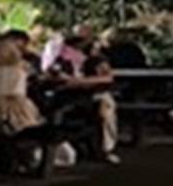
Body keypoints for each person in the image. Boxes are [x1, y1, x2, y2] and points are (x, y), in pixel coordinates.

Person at [48, 34, 120, 164]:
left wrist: (81, 81)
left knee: (106, 105)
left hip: (94, 93)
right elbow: (53, 76)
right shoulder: (61, 60)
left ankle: (106, 149)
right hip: (68, 96)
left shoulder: (96, 60)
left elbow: (108, 78)